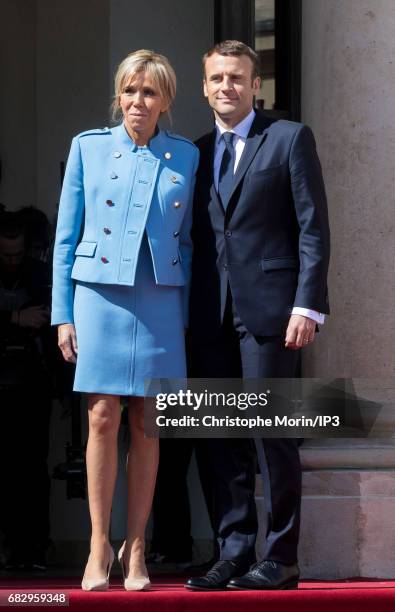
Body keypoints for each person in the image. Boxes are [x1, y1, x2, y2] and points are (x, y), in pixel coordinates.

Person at [51, 49, 199, 591]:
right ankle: (98, 544)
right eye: (130, 90)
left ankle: (137, 548)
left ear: (166, 101)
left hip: (160, 300)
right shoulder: (87, 148)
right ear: (119, 95)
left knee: (148, 423)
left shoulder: (185, 156)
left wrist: (185, 320)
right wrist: (62, 315)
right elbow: (65, 238)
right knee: (101, 417)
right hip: (98, 297)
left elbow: (189, 243)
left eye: (150, 92)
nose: (139, 101)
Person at [185, 40, 330, 591]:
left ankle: (281, 556)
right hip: (207, 315)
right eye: (217, 77)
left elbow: (313, 226)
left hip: (272, 312)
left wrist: (308, 304)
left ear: (255, 86)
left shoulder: (289, 138)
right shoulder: (193, 153)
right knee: (219, 438)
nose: (227, 86)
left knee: (272, 434)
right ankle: (233, 550)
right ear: (204, 87)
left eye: (237, 78)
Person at [0, 211, 52, 571]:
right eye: (6, 255)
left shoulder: (37, 273)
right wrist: (15, 320)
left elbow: (51, 318)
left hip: (32, 382)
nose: (13, 261)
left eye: (18, 253)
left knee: (32, 469)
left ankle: (32, 551)